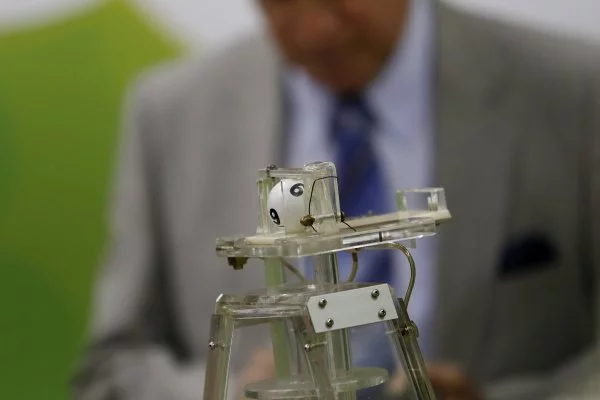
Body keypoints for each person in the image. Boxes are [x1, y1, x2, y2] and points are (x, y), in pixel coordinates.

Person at [72, 0, 600, 399]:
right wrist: (234, 392)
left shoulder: (575, 91)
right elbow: (111, 371)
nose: (315, 29)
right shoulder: (168, 115)